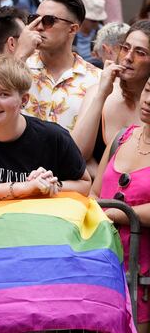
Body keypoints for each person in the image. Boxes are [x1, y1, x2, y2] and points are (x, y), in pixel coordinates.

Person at [0, 55, 91, 202]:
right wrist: (26, 187)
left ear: (24, 100)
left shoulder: (53, 136)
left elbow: (85, 184)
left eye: (4, 94)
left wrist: (49, 185)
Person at [91, 78, 150, 332]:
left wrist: (123, 214)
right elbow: (93, 192)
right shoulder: (121, 137)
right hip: (101, 269)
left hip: (143, 278)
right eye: (148, 90)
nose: (148, 100)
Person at [72, 20, 150, 175]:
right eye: (125, 48)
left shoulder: (146, 105)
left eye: (140, 53)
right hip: (96, 196)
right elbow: (76, 153)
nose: (128, 57)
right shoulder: (98, 91)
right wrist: (101, 94)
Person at [23, 0, 101, 132]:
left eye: (48, 20)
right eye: (34, 19)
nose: (39, 27)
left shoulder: (97, 80)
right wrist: (20, 55)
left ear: (72, 29)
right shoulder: (19, 67)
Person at [73, 0, 107, 64]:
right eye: (93, 21)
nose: (96, 24)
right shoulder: (72, 30)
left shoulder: (102, 32)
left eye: (98, 20)